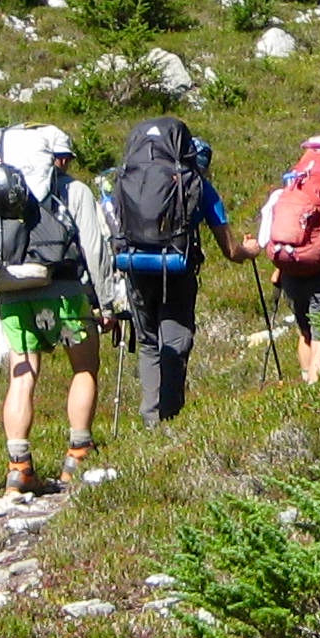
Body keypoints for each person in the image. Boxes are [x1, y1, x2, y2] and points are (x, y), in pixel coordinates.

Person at [0, 124, 120, 495]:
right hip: (62, 293)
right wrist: (106, 302)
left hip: (12, 293)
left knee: (22, 376)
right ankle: (77, 455)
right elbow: (94, 248)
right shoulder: (71, 190)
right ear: (56, 158)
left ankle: (19, 468)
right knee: (84, 367)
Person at [106, 113, 248, 422]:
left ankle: (149, 416)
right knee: (176, 337)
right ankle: (169, 415)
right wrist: (250, 251)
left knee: (146, 340)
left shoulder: (126, 179)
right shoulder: (199, 185)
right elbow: (231, 250)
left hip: (133, 267)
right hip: (177, 269)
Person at [251, 132, 320, 386]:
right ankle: (315, 389)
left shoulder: (286, 192)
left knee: (306, 332)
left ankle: (304, 381)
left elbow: (267, 238)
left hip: (291, 272)